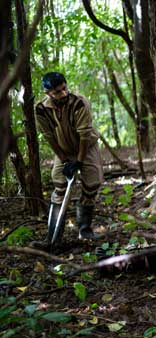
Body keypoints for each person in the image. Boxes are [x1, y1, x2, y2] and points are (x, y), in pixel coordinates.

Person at [31, 72, 103, 248]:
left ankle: (85, 229)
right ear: (48, 93)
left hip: (86, 147)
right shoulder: (41, 109)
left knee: (93, 183)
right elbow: (48, 136)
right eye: (57, 92)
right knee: (59, 186)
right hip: (63, 150)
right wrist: (64, 160)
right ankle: (52, 237)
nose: (63, 93)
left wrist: (78, 162)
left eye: (64, 88)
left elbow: (85, 135)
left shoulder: (79, 102)